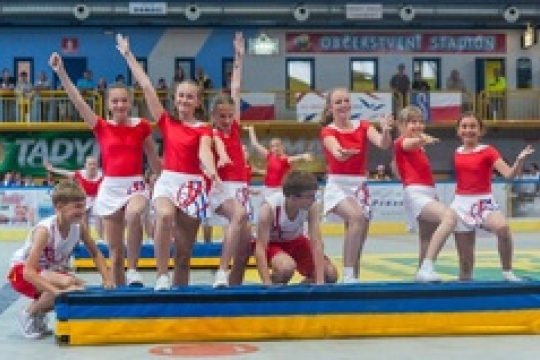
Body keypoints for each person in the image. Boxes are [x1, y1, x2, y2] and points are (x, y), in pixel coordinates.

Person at [116, 34, 220, 290]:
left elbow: (205, 151)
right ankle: (162, 276)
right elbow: (147, 87)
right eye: (180, 96)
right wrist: (129, 56)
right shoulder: (166, 121)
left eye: (189, 97)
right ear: (175, 99)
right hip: (168, 180)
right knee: (163, 215)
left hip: (194, 186)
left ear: (197, 101)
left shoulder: (204, 128)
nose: (184, 100)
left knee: (184, 256)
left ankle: (179, 301)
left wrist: (211, 168)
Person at [49, 52, 161, 287]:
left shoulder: (141, 126)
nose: (120, 105)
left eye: (124, 100)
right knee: (115, 253)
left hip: (135, 185)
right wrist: (61, 72)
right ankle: (121, 298)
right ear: (108, 104)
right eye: (115, 101)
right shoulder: (100, 126)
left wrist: (163, 180)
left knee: (134, 213)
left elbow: (153, 158)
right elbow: (78, 102)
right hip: (110, 188)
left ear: (130, 102)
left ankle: (134, 269)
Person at [7, 180, 113, 339]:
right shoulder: (45, 231)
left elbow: (96, 253)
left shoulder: (79, 228)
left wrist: (107, 279)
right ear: (59, 206)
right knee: (66, 284)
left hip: (46, 273)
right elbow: (28, 272)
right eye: (77, 206)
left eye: (83, 206)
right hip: (20, 273)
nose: (82, 211)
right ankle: (29, 314)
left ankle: (38, 313)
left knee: (79, 287)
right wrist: (58, 292)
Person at [320, 87, 393, 283]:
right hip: (338, 184)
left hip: (359, 185)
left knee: (358, 240)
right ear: (330, 109)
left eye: (346, 100)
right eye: (338, 102)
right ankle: (348, 274)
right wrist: (342, 153)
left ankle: (353, 281)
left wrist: (385, 130)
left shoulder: (363, 125)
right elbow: (335, 151)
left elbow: (383, 144)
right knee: (357, 217)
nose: (343, 105)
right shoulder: (328, 131)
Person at [450, 112, 533, 281]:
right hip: (460, 204)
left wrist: (519, 161)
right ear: (458, 131)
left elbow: (509, 174)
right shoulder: (457, 152)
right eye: (464, 126)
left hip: (483, 202)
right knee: (465, 263)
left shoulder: (488, 151)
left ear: (480, 130)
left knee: (502, 228)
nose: (468, 130)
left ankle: (508, 271)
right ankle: (466, 296)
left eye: (473, 126)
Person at [205, 32, 253, 287]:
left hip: (240, 187)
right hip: (221, 188)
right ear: (213, 116)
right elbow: (210, 153)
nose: (226, 121)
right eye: (221, 116)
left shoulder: (234, 128)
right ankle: (221, 271)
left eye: (229, 116)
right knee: (238, 215)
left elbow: (236, 86)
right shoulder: (209, 133)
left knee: (244, 245)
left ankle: (234, 287)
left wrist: (239, 56)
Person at [393, 106, 458, 282]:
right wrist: (423, 139)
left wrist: (422, 141)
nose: (418, 125)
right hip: (416, 193)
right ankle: (427, 266)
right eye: (413, 122)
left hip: (429, 192)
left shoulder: (420, 147)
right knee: (450, 217)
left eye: (421, 122)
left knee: (426, 238)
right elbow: (410, 143)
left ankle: (421, 273)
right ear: (401, 125)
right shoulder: (401, 142)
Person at [254, 170, 338, 285]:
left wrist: (320, 281)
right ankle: (274, 291)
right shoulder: (269, 209)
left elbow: (317, 243)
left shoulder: (312, 207)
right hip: (272, 244)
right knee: (285, 268)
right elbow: (260, 248)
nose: (314, 200)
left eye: (314, 195)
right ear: (293, 198)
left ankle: (303, 294)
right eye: (310, 196)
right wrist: (267, 283)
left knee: (330, 274)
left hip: (296, 241)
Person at [43, 155, 104, 240]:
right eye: (90, 164)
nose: (92, 166)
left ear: (97, 165)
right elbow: (65, 172)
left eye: (94, 164)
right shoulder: (80, 174)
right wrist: (52, 169)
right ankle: (87, 240)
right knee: (84, 219)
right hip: (85, 198)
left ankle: (101, 239)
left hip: (98, 199)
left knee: (99, 219)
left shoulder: (103, 175)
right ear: (85, 165)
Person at [244, 125, 312, 198]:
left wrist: (303, 156)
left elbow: (292, 158)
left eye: (277, 145)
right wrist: (251, 130)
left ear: (282, 146)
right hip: (267, 188)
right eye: (272, 146)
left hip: (279, 190)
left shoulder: (285, 159)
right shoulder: (270, 155)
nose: (275, 148)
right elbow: (255, 144)